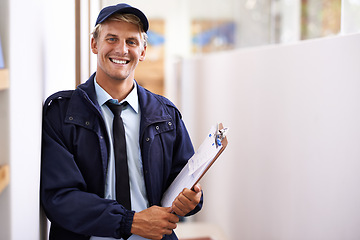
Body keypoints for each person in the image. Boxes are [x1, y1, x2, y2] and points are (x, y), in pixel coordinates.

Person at [40, 3, 203, 240]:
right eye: (112, 39)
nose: (122, 50)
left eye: (131, 42)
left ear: (143, 51)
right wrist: (130, 222)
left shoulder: (167, 114)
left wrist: (193, 200)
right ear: (95, 44)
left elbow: (184, 180)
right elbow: (60, 198)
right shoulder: (61, 113)